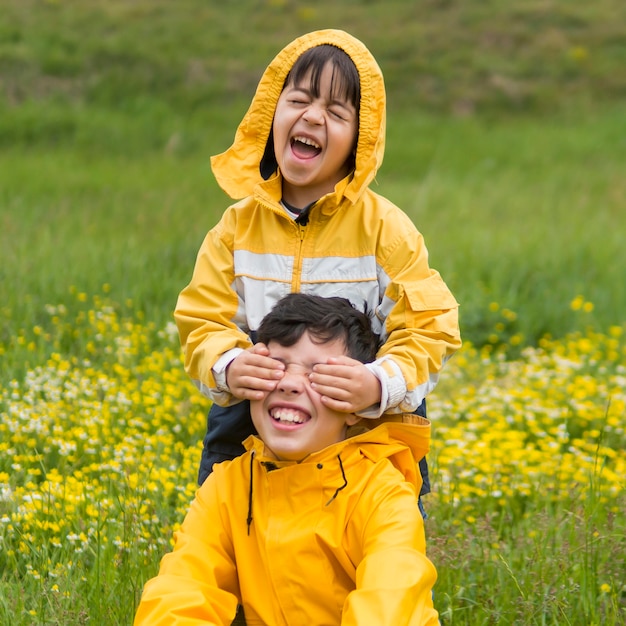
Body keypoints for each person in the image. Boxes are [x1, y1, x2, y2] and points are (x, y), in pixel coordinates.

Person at [175, 29, 461, 491]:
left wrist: (379, 385)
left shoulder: (385, 229)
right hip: (260, 416)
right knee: (228, 535)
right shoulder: (235, 228)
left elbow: (429, 326)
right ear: (271, 113)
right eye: (299, 100)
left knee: (376, 540)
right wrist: (229, 364)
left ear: (360, 140)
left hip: (362, 425)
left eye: (335, 111)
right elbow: (201, 320)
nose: (312, 116)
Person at [134, 294, 440, 625]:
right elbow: (181, 592)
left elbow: (388, 608)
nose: (290, 383)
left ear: (356, 405)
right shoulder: (227, 487)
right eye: (275, 367)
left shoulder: (382, 494)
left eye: (319, 373)